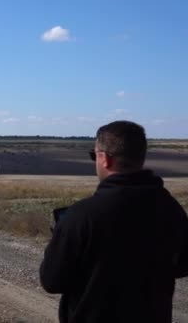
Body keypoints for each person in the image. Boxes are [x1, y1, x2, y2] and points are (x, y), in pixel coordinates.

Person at [40, 120, 188, 322]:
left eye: (94, 156)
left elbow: (52, 281)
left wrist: (56, 242)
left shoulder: (81, 216)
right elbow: (182, 266)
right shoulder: (171, 208)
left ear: (104, 159)